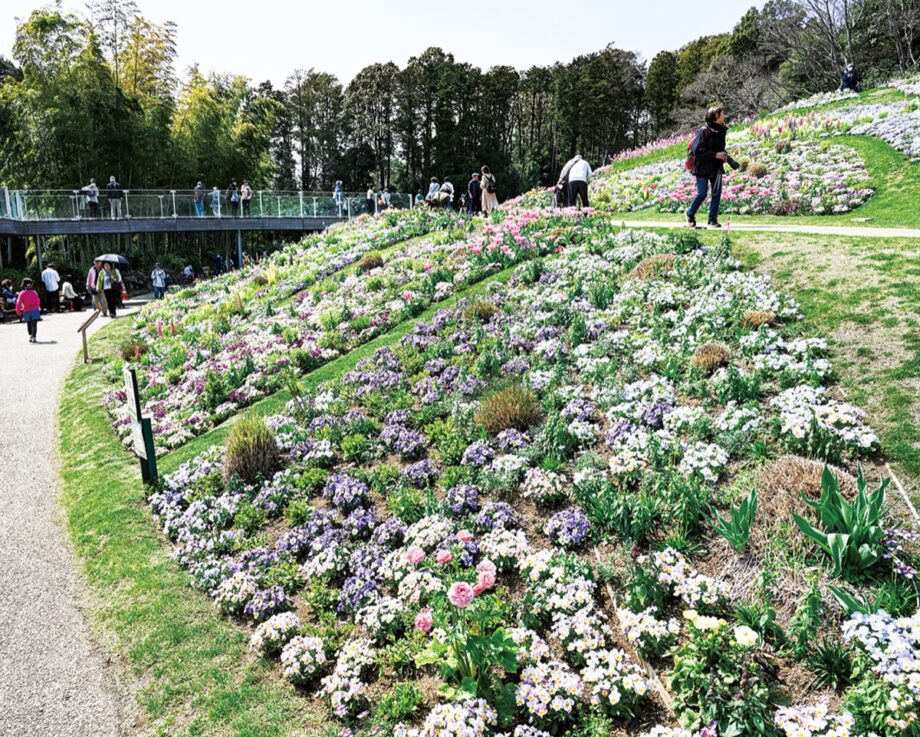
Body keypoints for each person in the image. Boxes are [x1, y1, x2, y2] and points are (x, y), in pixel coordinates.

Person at [686, 105, 732, 229]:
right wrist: (715, 155)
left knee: (716, 193)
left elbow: (720, 148)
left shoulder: (721, 131)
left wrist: (724, 156)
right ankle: (690, 213)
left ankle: (712, 220)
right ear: (716, 116)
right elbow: (698, 152)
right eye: (722, 114)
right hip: (702, 167)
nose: (724, 116)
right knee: (702, 194)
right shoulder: (703, 131)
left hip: (716, 167)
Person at [15, 278, 41, 343]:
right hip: (35, 310)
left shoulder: (22, 293)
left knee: (28, 324)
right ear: (31, 285)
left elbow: (19, 303)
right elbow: (38, 301)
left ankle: (30, 335)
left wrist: (18, 312)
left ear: (23, 285)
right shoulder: (34, 292)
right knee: (34, 324)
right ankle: (34, 337)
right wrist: (38, 308)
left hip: (26, 311)